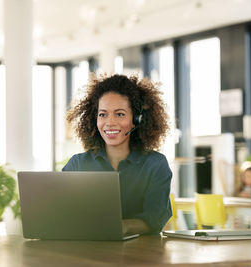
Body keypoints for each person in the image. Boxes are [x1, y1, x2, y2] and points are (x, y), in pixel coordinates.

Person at [62, 73, 172, 235]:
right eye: (103, 114)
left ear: (137, 120)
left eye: (120, 114)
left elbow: (155, 217)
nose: (110, 122)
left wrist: (121, 226)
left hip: (143, 254)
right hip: (88, 252)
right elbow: (62, 212)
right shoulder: (78, 164)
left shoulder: (155, 164)